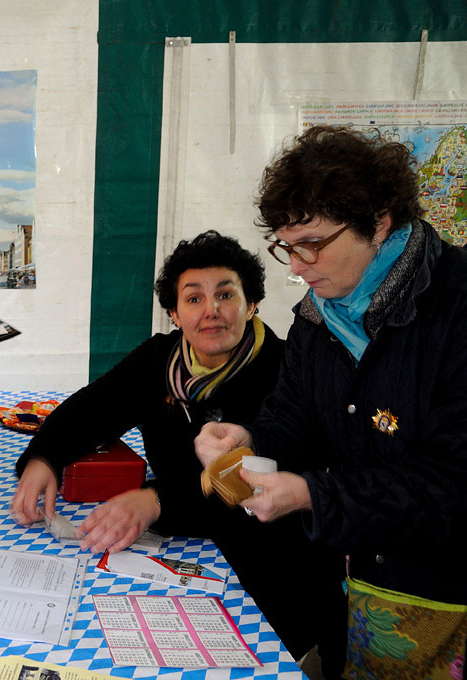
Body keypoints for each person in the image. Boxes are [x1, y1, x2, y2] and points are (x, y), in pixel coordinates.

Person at [195, 126, 467, 679]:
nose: (295, 265)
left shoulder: (457, 308)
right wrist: (251, 440)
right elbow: (294, 415)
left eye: (312, 244)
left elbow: (453, 485)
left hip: (445, 601)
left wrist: (313, 495)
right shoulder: (319, 315)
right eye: (285, 246)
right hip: (350, 589)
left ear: (380, 221)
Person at [9, 230, 341, 662]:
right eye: (194, 299)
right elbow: (91, 410)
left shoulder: (284, 367)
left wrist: (158, 500)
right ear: (174, 311)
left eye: (226, 294)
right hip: (176, 552)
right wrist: (44, 458)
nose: (212, 312)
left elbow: (261, 486)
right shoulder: (159, 360)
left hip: (267, 565)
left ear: (252, 303)